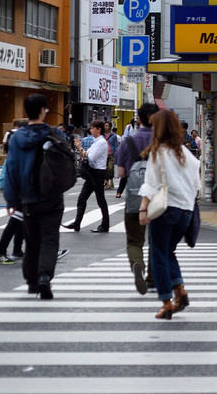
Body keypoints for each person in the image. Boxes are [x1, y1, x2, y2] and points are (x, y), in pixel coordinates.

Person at [137, 109, 200, 319]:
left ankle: (167, 301)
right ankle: (180, 290)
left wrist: (143, 208)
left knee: (158, 256)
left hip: (166, 209)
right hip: (186, 211)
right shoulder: (187, 154)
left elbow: (150, 184)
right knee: (168, 252)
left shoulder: (158, 152)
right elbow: (196, 185)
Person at [2, 93, 65, 299]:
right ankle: (44, 277)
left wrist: (11, 200)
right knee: (49, 238)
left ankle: (31, 282)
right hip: (52, 196)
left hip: (27, 198)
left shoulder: (16, 137)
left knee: (31, 239)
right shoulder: (54, 134)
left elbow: (11, 168)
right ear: (42, 111)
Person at [117, 102, 158, 294]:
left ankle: (137, 263)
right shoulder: (163, 141)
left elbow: (120, 173)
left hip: (134, 197)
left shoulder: (127, 141)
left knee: (134, 240)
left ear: (138, 119)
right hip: (159, 197)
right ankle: (152, 278)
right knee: (156, 240)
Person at [63, 120, 111, 233]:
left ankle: (105, 225)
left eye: (92, 128)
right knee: (83, 198)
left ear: (98, 129)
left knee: (100, 199)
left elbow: (91, 157)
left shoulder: (101, 142)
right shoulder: (96, 141)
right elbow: (86, 154)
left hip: (98, 173)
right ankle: (77, 223)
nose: (90, 130)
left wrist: (80, 148)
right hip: (92, 172)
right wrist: (80, 148)